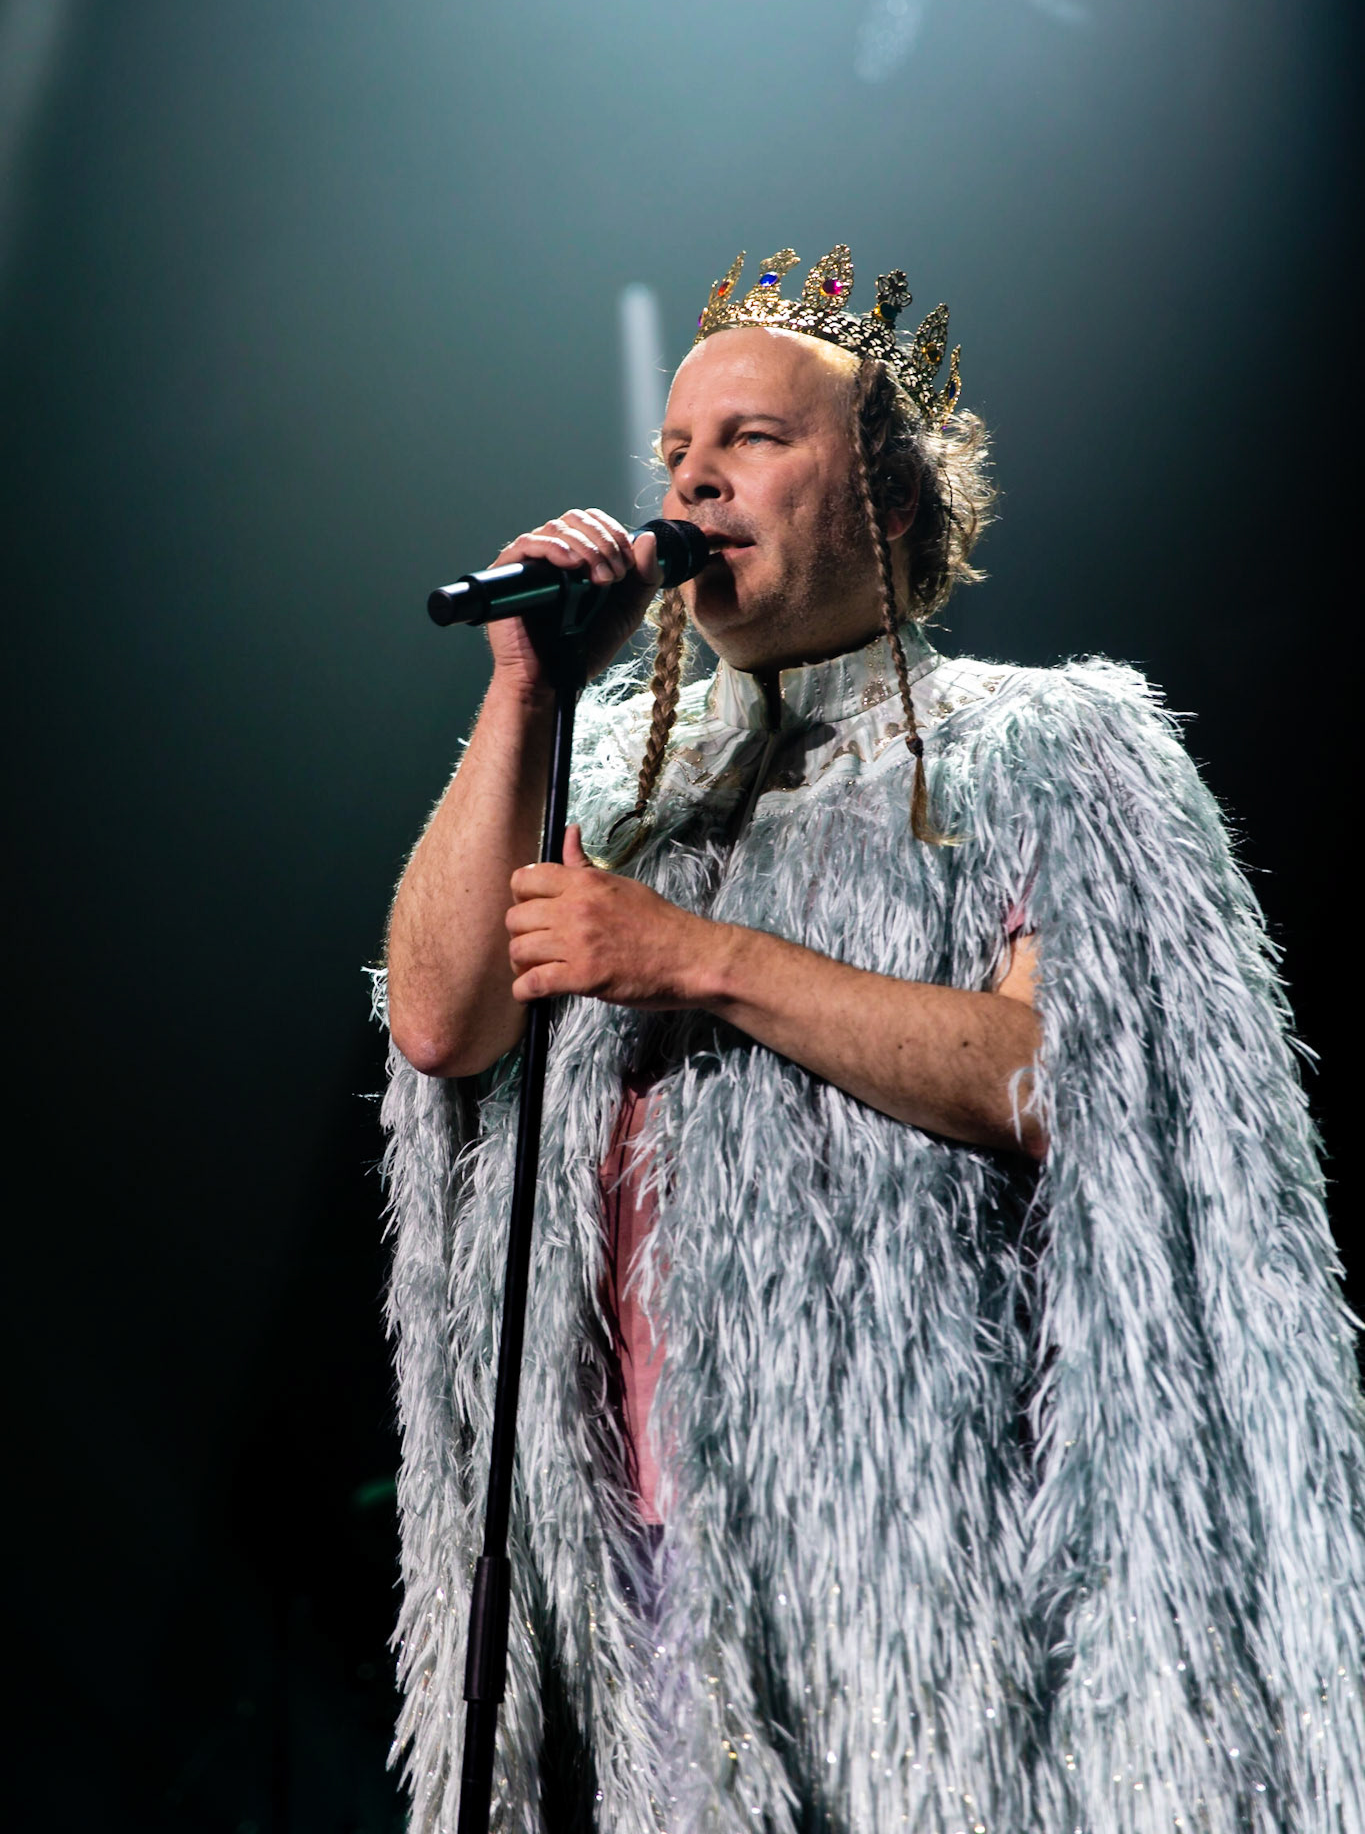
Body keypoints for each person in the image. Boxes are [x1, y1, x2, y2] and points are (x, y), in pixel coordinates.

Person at [378, 246, 1365, 1834]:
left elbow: (1075, 1082)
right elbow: (438, 1019)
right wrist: (527, 696)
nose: (694, 479)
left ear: (888, 496)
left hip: (924, 1571)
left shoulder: (1046, 751)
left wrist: (698, 958)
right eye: (678, 450)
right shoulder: (605, 770)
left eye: (753, 439)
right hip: (628, 1585)